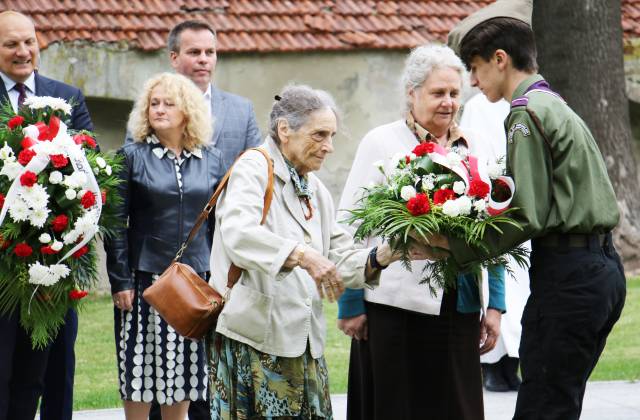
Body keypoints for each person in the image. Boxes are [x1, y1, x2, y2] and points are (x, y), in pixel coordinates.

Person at [432, 1, 627, 418]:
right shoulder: (552, 102)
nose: (471, 80)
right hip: (599, 269)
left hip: (569, 274)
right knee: (559, 401)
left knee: (542, 407)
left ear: (500, 60)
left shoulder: (524, 114)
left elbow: (526, 215)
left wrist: (452, 246)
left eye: (475, 67)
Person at [206, 84, 431, 420]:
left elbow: (339, 257)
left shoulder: (313, 187)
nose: (329, 147)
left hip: (303, 342)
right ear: (285, 130)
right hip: (255, 341)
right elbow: (238, 235)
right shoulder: (253, 168)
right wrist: (303, 255)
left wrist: (388, 253)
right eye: (320, 135)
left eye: (332, 136)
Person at [335, 44, 506, 420]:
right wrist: (350, 303)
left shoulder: (477, 145)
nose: (448, 102)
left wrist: (494, 305)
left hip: (459, 307)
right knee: (397, 407)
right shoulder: (381, 142)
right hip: (393, 309)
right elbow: (349, 230)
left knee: (456, 407)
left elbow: (494, 232)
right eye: (437, 93)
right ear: (411, 94)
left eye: (454, 93)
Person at [141, 19, 263, 420]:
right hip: (169, 257)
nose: (204, 60)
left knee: (209, 358)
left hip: (223, 251)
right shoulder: (153, 105)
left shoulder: (240, 109)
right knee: (164, 363)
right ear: (174, 58)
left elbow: (258, 172)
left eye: (210, 52)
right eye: (194, 52)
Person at [105, 72, 224, 420]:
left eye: (168, 103)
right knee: (139, 370)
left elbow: (219, 224)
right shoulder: (130, 156)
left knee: (185, 372)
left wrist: (220, 277)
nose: (159, 109)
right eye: (153, 103)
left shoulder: (212, 159)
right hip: (145, 280)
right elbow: (114, 223)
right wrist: (121, 281)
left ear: (187, 110)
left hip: (194, 280)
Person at [0, 11, 93, 420]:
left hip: (57, 265)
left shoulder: (67, 96)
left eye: (29, 42)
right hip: (3, 268)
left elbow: (92, 171)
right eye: (10, 44)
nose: (23, 52)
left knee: (57, 375)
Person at [459, 92, 531, 392]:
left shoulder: (527, 104)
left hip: (518, 212)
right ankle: (492, 365)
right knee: (494, 288)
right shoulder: (478, 106)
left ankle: (512, 363)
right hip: (491, 210)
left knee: (519, 292)